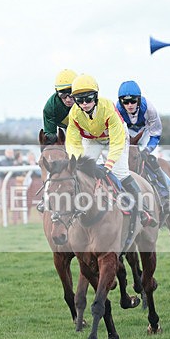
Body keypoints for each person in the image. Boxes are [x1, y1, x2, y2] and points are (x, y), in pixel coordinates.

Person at [65, 73, 156, 248]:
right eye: (80, 100)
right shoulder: (75, 113)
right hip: (93, 140)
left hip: (116, 138)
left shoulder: (107, 109)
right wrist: (77, 163)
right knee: (82, 173)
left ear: (96, 96)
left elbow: (116, 143)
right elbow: (73, 142)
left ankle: (143, 210)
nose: (84, 103)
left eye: (88, 99)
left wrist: (108, 165)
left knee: (120, 173)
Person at [115, 80, 170, 213]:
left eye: (133, 101)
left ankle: (165, 195)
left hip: (146, 134)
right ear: (121, 102)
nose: (130, 105)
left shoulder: (149, 109)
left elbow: (156, 133)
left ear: (139, 100)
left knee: (152, 159)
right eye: (126, 102)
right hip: (125, 134)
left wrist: (148, 150)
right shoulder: (117, 110)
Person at [42, 69, 78, 145]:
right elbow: (50, 134)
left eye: (71, 94)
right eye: (63, 95)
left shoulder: (87, 101)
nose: (68, 100)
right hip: (65, 127)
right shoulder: (51, 107)